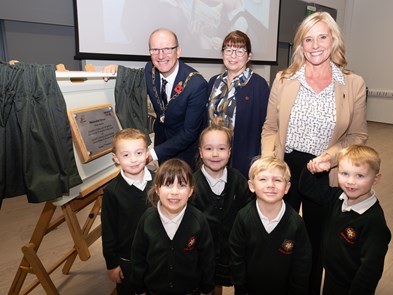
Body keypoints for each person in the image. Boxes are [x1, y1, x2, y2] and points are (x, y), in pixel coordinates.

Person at [261, 11, 368, 294]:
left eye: (322, 37)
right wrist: (269, 165)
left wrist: (331, 157)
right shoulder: (284, 79)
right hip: (285, 166)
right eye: (308, 39)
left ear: (334, 40)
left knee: (314, 242)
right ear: (300, 45)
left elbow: (357, 136)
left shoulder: (353, 83)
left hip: (325, 172)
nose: (316, 45)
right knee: (279, 236)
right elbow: (270, 127)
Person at [104, 28, 208, 170]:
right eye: (155, 50)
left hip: (186, 153)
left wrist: (152, 154)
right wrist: (116, 69)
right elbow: (134, 79)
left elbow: (189, 133)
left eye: (167, 49)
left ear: (178, 52)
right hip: (161, 144)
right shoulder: (149, 70)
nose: (160, 56)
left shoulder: (196, 84)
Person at [299, 145, 391, 294]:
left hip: (351, 284)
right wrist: (313, 170)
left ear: (376, 179)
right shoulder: (337, 198)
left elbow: (370, 270)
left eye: (359, 176)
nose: (350, 181)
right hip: (331, 274)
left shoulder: (373, 221)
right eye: (344, 173)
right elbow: (308, 189)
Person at [130, 158, 215, 295]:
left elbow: (207, 259)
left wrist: (206, 288)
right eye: (168, 185)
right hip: (154, 290)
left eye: (182, 185)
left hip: (190, 290)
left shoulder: (198, 220)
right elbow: (138, 257)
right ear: (157, 189)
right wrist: (138, 288)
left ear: (191, 191)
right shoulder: (147, 219)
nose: (174, 192)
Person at [229, 156, 312, 295]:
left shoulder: (296, 222)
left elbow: (302, 263)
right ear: (251, 186)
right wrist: (240, 287)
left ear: (287, 188)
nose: (270, 185)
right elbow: (236, 257)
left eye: (278, 180)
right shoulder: (243, 217)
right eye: (263, 179)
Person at [191, 124, 253, 295]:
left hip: (233, 251)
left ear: (229, 151)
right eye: (209, 148)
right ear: (201, 152)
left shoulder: (239, 181)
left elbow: (249, 213)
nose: (215, 154)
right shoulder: (191, 185)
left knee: (239, 283)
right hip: (203, 253)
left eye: (221, 148)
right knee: (209, 287)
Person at [207, 30, 269, 177]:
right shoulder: (213, 82)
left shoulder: (258, 85)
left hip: (242, 161)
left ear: (249, 56)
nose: (233, 56)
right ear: (222, 54)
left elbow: (266, 126)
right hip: (212, 158)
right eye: (228, 50)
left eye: (240, 51)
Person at [101, 128, 154, 295]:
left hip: (157, 255)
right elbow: (108, 231)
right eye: (126, 155)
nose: (133, 160)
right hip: (128, 259)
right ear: (115, 158)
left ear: (147, 153)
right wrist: (112, 264)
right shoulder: (112, 191)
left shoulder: (159, 181)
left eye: (138, 153)